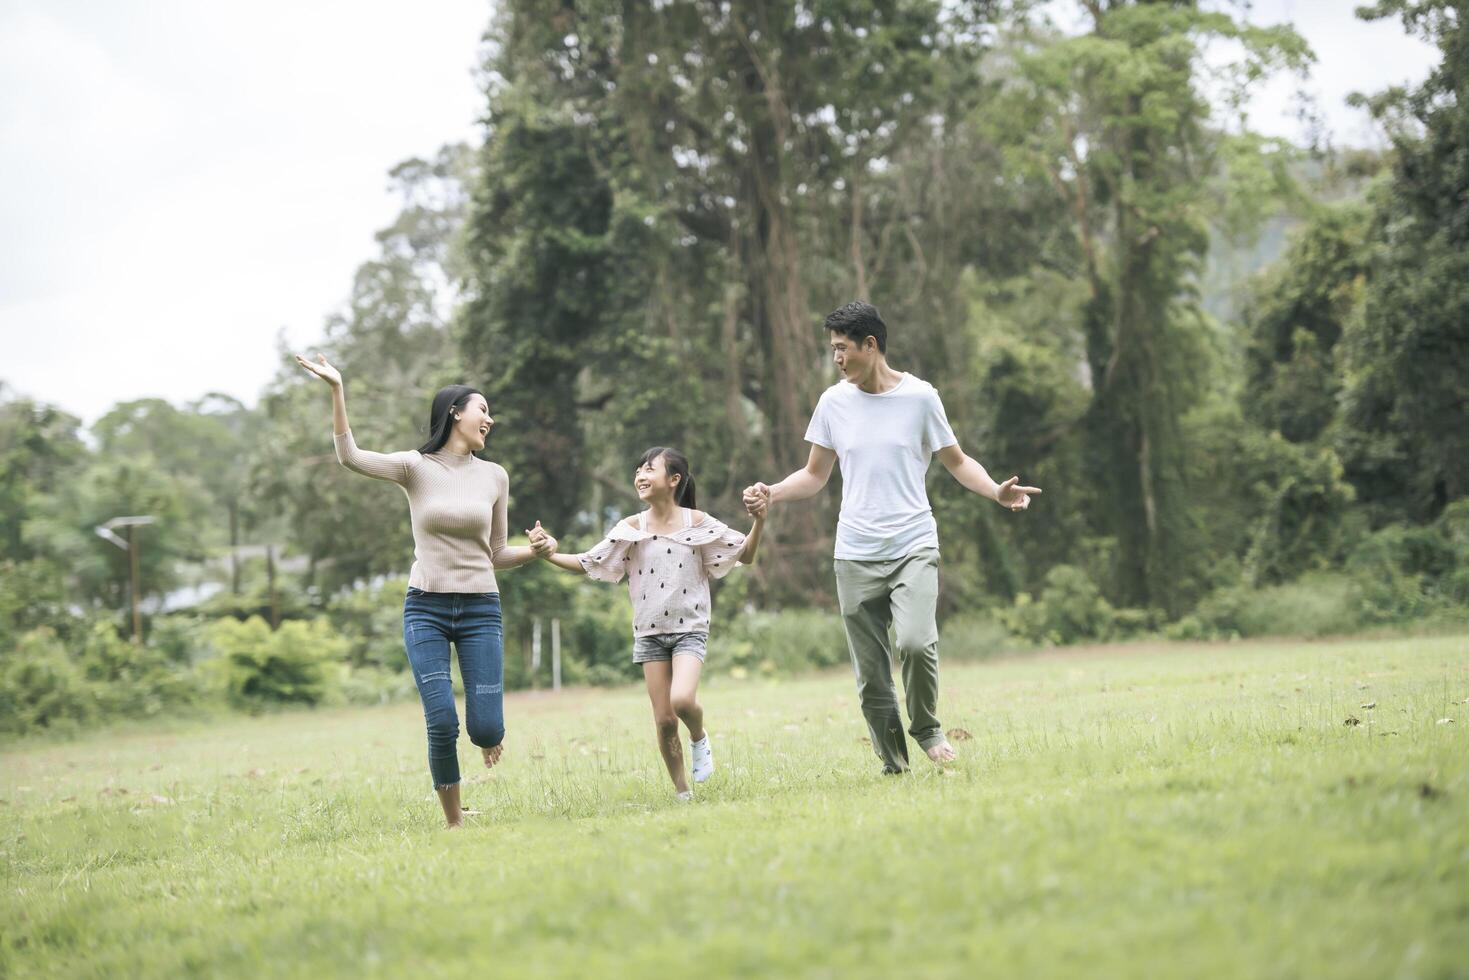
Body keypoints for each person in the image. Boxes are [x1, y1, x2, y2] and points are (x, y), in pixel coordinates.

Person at [742, 302, 1040, 774]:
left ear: (871, 345)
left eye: (843, 349)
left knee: (918, 643)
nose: (837, 359)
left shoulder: (921, 398)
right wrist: (772, 493)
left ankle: (927, 729)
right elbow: (815, 475)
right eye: (833, 350)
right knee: (872, 676)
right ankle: (893, 762)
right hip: (855, 553)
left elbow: (957, 461)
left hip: (912, 543)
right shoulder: (833, 403)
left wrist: (996, 492)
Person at [296, 353, 551, 828]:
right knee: (441, 721)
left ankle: (490, 732)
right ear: (456, 412)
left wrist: (536, 551)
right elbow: (350, 457)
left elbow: (497, 553)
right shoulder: (415, 467)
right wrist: (337, 389)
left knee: (485, 728)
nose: (489, 419)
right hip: (425, 610)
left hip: (480, 610)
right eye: (483, 409)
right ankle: (454, 821)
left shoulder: (495, 476)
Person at [533, 447, 765, 800]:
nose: (640, 475)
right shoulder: (630, 528)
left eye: (649, 469)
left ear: (673, 480)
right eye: (638, 469)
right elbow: (588, 561)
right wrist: (549, 554)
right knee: (664, 720)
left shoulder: (697, 523)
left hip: (690, 629)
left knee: (683, 701)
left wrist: (759, 521)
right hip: (650, 634)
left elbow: (744, 554)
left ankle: (699, 737)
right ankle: (682, 792)